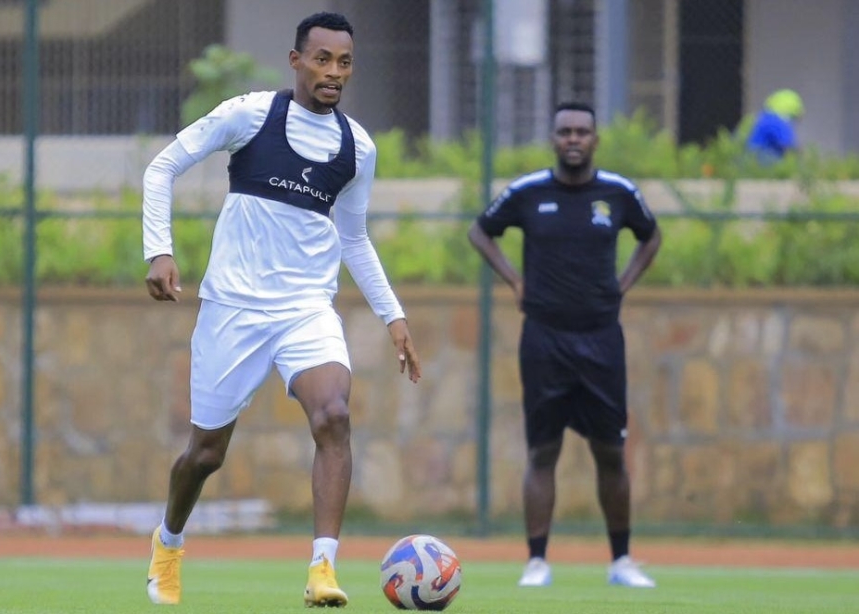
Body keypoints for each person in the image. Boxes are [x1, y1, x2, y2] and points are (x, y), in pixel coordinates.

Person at [140, 11, 421, 607]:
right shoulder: (249, 115)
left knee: (334, 415)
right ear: (296, 61)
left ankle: (323, 569)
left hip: (305, 310)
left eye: (344, 62)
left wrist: (392, 316)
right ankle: (168, 543)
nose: (333, 72)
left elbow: (354, 238)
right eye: (321, 59)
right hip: (232, 309)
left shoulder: (357, 147)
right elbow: (162, 166)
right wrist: (158, 250)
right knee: (205, 455)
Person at [467, 102, 661, 588]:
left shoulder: (618, 193)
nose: (573, 139)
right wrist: (514, 280)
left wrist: (624, 282)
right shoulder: (528, 193)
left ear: (595, 139)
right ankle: (537, 561)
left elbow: (651, 237)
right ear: (553, 139)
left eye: (582, 131)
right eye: (564, 131)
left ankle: (621, 561)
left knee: (610, 453)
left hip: (601, 339)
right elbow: (480, 231)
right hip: (544, 339)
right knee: (543, 451)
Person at [746, 88, 805, 162]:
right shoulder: (778, 122)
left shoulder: (762, 118)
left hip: (747, 161)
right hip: (762, 164)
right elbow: (789, 146)